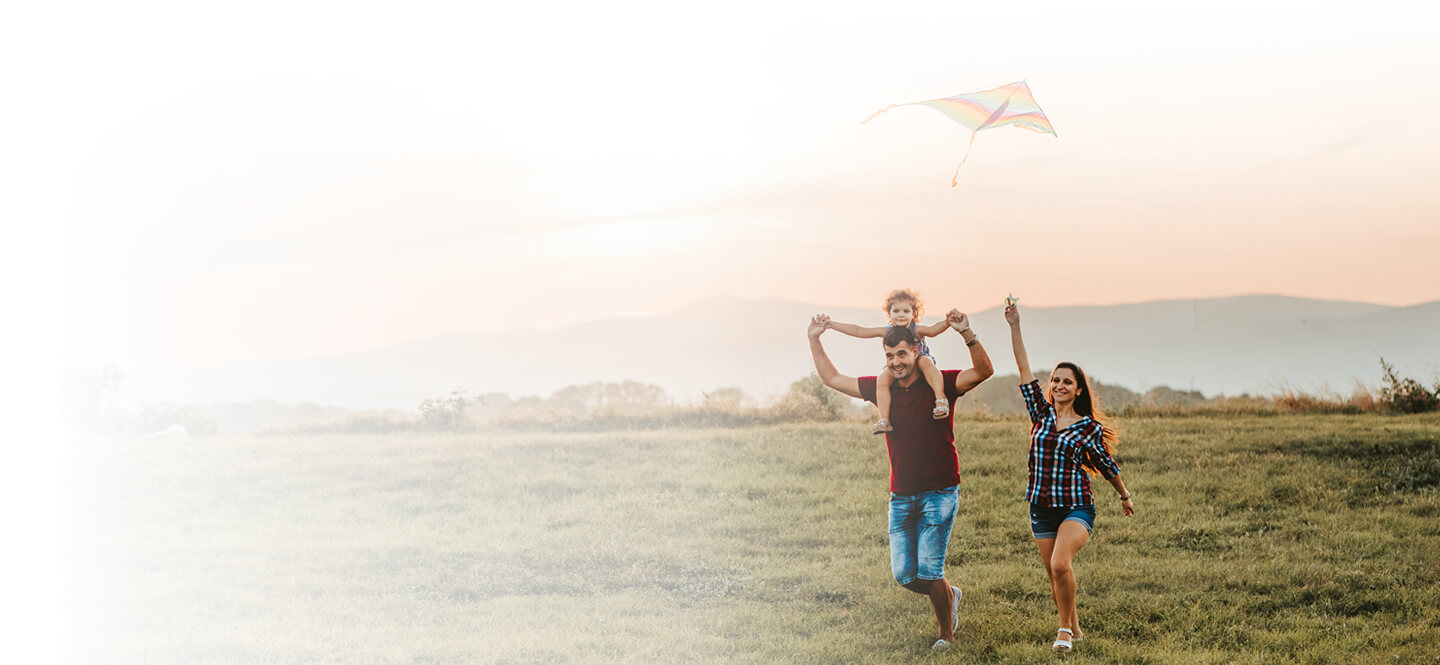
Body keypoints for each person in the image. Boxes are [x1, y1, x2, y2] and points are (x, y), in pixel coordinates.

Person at [807, 309, 993, 649]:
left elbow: (984, 371)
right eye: (890, 355)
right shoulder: (883, 392)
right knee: (905, 575)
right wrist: (814, 339)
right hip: (902, 495)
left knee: (930, 568)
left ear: (917, 351)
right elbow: (832, 378)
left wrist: (967, 333)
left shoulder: (941, 383)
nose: (896, 361)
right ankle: (950, 596)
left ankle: (946, 636)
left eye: (902, 354)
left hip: (940, 490)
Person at [1004, 301, 1134, 652]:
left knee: (1061, 563)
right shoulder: (1040, 413)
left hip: (1076, 506)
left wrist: (1124, 495)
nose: (1059, 385)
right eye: (1056, 380)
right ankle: (1075, 629)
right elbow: (1022, 366)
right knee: (1054, 574)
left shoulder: (1088, 427)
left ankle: (1063, 632)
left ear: (1079, 390)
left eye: (1067, 382)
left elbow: (1105, 464)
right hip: (1040, 508)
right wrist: (1015, 326)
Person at [825, 289, 951, 434]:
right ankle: (884, 420)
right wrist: (832, 325)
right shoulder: (887, 331)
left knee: (925, 363)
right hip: (899, 364)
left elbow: (933, 330)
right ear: (889, 314)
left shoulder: (916, 330)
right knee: (882, 379)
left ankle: (940, 399)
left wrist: (948, 322)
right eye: (896, 311)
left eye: (906, 311)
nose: (901, 315)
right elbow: (859, 330)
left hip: (920, 358)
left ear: (913, 314)